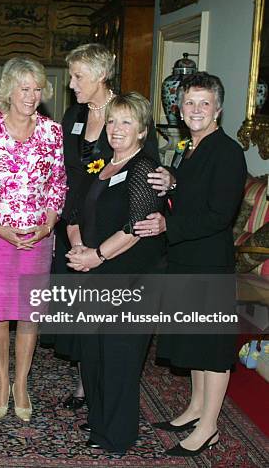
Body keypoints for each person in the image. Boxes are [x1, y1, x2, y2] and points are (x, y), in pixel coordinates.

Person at [134, 72, 247, 457]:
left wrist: (169, 223)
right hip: (186, 258)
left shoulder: (227, 151)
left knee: (212, 346)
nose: (196, 110)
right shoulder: (191, 147)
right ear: (180, 109)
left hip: (209, 262)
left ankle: (210, 427)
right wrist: (175, 181)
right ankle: (197, 409)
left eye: (204, 103)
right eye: (189, 103)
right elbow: (199, 189)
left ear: (218, 108)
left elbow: (219, 214)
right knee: (196, 340)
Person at [50, 43, 160, 410]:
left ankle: (96, 389)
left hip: (112, 231)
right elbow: (63, 172)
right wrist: (70, 229)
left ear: (100, 75)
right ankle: (85, 379)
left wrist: (171, 187)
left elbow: (151, 175)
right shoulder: (73, 115)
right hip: (75, 224)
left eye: (78, 75)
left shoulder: (127, 112)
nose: (72, 82)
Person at [0, 57, 66, 421]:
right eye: (24, 88)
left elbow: (58, 184)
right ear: (8, 90)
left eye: (38, 89)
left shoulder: (52, 132)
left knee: (28, 315)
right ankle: (1, 382)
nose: (32, 96)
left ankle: (21, 384)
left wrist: (49, 223)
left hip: (38, 235)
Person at [66, 92, 165, 453]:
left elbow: (135, 225)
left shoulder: (145, 169)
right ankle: (99, 419)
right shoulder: (102, 164)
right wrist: (78, 247)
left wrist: (98, 257)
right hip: (95, 271)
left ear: (142, 130)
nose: (116, 128)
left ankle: (117, 435)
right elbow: (74, 212)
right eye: (112, 121)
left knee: (120, 356)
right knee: (93, 351)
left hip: (131, 277)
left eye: (126, 122)